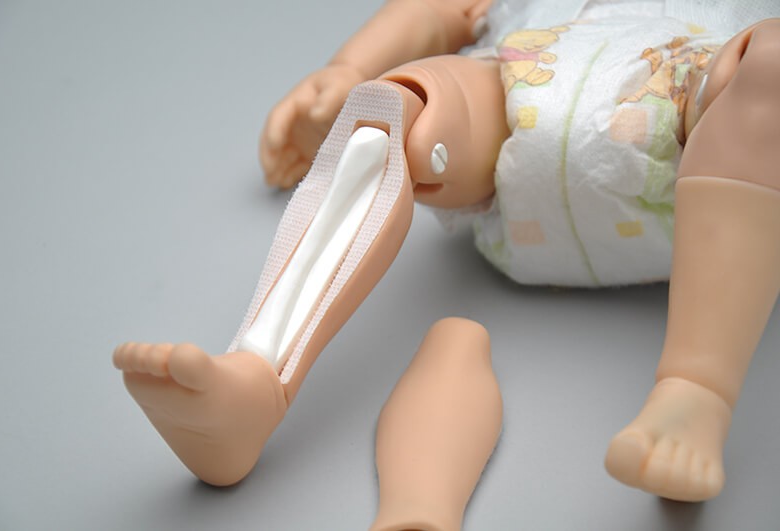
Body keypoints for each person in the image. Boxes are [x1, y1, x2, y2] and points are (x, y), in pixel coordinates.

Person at [114, 0, 780, 503]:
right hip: (517, 102)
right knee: (389, 109)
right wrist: (348, 69)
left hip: (700, 118)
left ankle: (695, 391)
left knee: (770, 63)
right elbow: (434, 10)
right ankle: (257, 379)